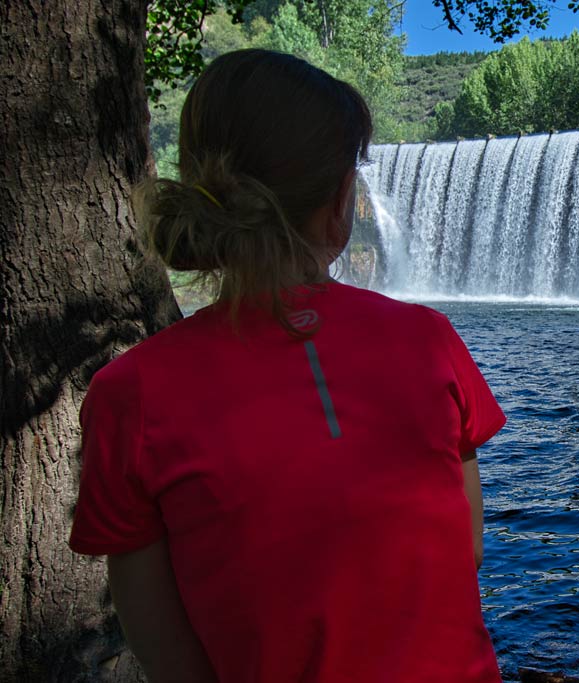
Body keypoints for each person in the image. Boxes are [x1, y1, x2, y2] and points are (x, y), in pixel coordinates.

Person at [69, 49, 506, 683]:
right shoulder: (431, 343)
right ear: (340, 204)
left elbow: (165, 650)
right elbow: (463, 553)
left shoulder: (127, 397)